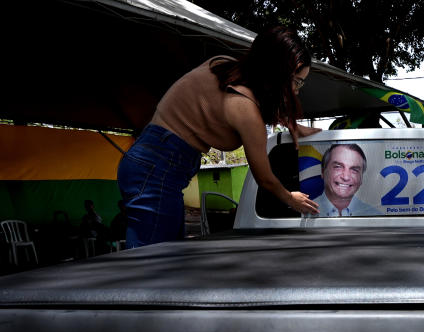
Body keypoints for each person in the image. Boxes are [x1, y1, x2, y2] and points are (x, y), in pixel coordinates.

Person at [117, 26, 320, 247]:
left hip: (151, 163)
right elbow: (265, 178)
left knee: (167, 260)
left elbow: (256, 96)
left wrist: (289, 122)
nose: (298, 90)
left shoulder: (222, 65)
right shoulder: (245, 110)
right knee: (151, 265)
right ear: (277, 73)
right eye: (297, 82)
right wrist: (292, 199)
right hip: (157, 171)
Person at [313, 144, 382, 216]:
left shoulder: (375, 216)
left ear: (361, 178)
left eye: (354, 170)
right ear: (323, 172)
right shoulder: (304, 212)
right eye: (338, 167)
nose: (346, 177)